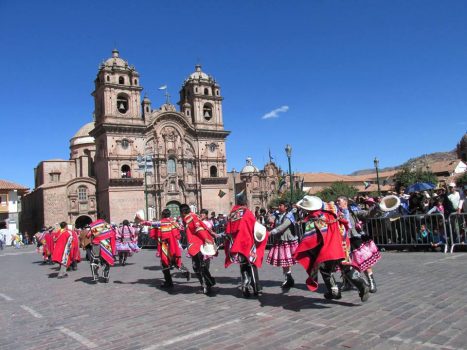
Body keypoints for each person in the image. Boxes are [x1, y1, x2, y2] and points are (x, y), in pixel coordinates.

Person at [294, 195, 370, 302]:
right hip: (342, 243)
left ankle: (334, 291)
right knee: (346, 267)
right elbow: (345, 223)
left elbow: (311, 240)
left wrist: (308, 251)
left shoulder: (313, 219)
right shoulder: (333, 211)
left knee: (325, 269)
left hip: (327, 248)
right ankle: (362, 285)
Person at [224, 191, 269, 297]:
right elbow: (254, 226)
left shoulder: (232, 213)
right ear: (245, 202)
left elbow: (228, 230)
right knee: (252, 265)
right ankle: (256, 288)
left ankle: (245, 286)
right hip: (246, 242)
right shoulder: (246, 212)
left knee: (243, 265)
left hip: (236, 244)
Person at [336, 196, 381, 293]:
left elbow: (367, 214)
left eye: (339, 201)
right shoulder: (336, 213)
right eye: (337, 201)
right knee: (344, 263)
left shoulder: (353, 211)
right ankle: (347, 282)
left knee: (364, 261)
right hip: (343, 241)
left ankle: (371, 282)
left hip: (355, 238)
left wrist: (376, 207)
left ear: (345, 202)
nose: (337, 202)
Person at [180, 204, 216, 294]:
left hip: (197, 245)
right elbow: (203, 225)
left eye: (181, 213)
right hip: (198, 244)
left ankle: (206, 284)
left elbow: (198, 228)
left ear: (183, 212)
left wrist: (205, 238)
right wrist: (210, 232)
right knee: (201, 266)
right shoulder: (193, 216)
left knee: (197, 266)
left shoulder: (190, 218)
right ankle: (208, 283)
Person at [149, 209, 189, 288]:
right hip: (173, 245)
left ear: (162, 215)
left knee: (165, 264)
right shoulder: (173, 222)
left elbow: (149, 223)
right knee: (175, 260)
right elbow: (181, 229)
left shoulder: (161, 222)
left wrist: (140, 220)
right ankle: (184, 271)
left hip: (164, 245)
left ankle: (168, 282)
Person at [266, 200, 298, 289]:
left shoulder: (289, 216)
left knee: (286, 261)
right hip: (280, 240)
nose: (279, 207)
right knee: (284, 262)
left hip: (287, 241)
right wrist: (270, 218)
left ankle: (288, 279)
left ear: (286, 207)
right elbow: (270, 219)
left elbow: (283, 226)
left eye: (281, 205)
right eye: (279, 205)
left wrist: (271, 232)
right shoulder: (277, 214)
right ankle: (288, 278)